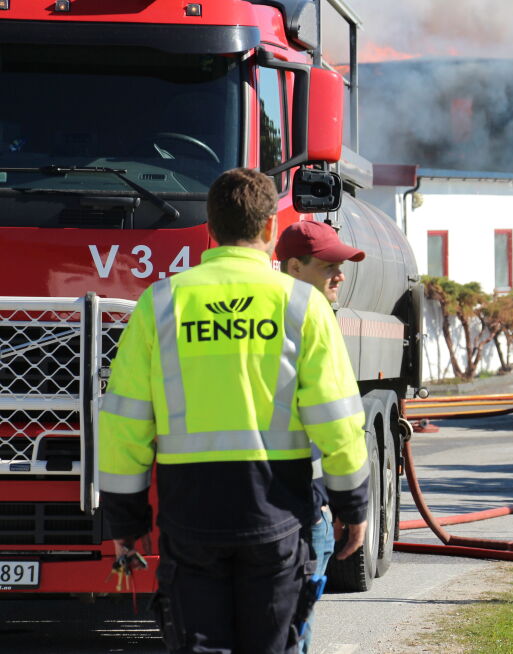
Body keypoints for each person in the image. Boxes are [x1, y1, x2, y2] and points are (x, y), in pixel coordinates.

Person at [98, 168, 369, 654]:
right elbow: (337, 420)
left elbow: (124, 423)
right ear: (270, 230)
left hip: (190, 517)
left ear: (210, 228)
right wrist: (353, 506)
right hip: (277, 516)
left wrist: (125, 524)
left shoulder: (160, 304)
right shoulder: (301, 305)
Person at [275, 219, 366, 654]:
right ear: (294, 267)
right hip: (302, 509)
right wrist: (352, 505)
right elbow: (339, 426)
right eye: (329, 264)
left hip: (243, 507)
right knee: (292, 634)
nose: (340, 274)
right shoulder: (309, 323)